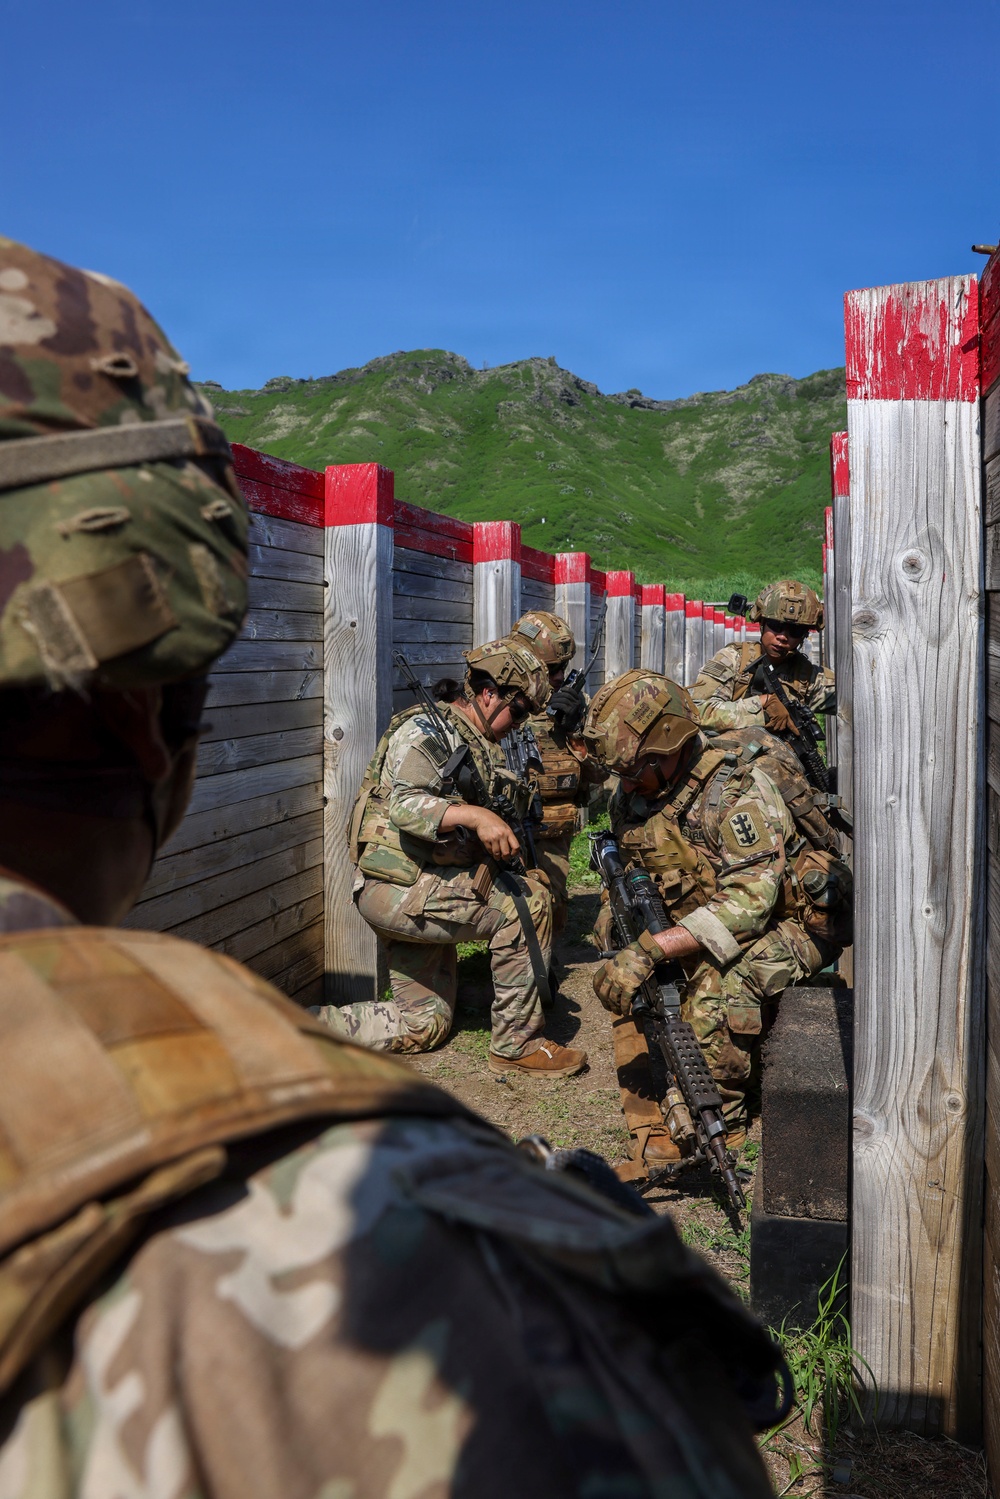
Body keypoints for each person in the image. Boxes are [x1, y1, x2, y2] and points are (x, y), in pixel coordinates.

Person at [0, 238, 783, 1499]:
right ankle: (490, 1032)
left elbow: (534, 798)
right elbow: (414, 811)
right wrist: (481, 834)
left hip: (418, 902)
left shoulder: (504, 740)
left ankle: (373, 1012)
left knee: (422, 1011)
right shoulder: (430, 736)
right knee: (513, 911)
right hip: (400, 887)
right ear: (149, 715)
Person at [581, 670, 849, 1178]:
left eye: (636, 768)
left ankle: (723, 1116)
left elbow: (752, 901)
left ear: (668, 749)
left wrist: (651, 949)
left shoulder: (736, 792)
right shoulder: (638, 791)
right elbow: (636, 861)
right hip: (721, 908)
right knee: (663, 980)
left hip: (801, 918)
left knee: (718, 991)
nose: (627, 782)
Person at [316, 637, 588, 1078]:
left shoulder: (475, 741)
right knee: (523, 905)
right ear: (487, 694)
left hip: (424, 884)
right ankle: (516, 1045)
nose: (516, 725)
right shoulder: (425, 732)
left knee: (425, 1025)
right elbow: (405, 806)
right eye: (516, 712)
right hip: (396, 890)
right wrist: (477, 816)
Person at [506, 609, 607, 942]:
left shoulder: (575, 704)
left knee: (549, 911)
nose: (559, 678)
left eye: (563, 668)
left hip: (549, 832)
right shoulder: (492, 697)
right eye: (551, 670)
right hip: (499, 825)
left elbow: (600, 773)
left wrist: (576, 728)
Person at [689, 580, 834, 742]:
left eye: (795, 631)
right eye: (775, 625)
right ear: (762, 623)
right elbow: (699, 711)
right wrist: (761, 705)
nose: (782, 637)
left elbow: (850, 696)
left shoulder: (805, 676)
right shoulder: (734, 659)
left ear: (804, 636)